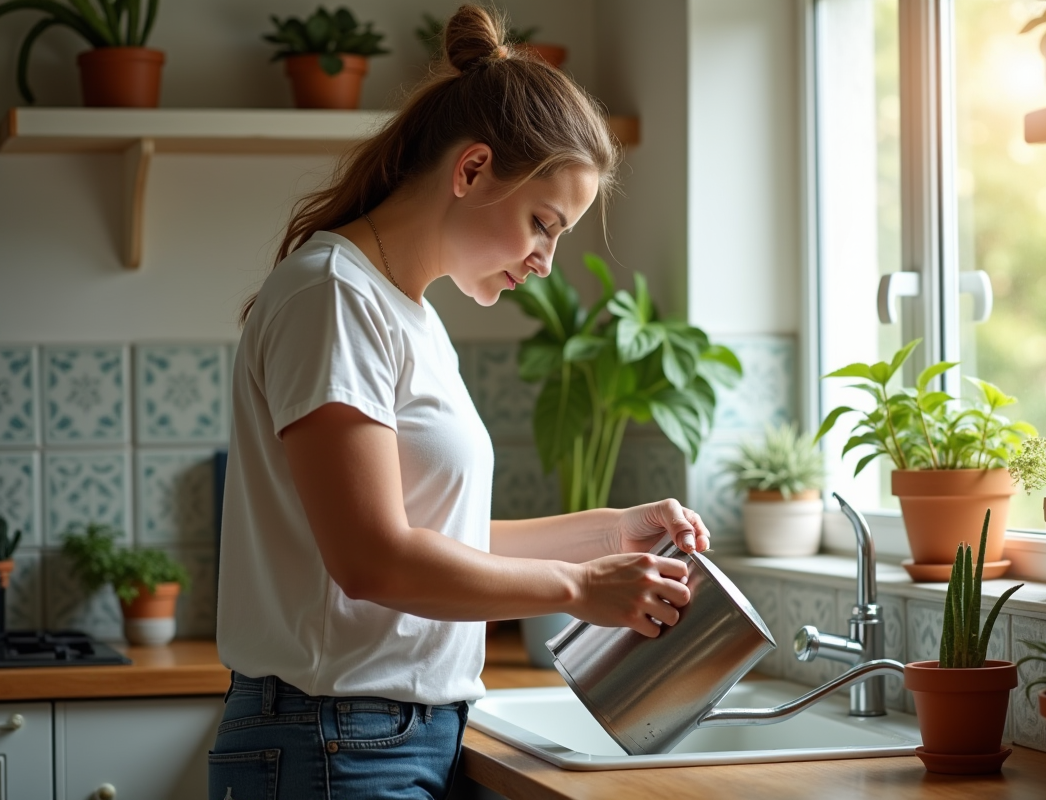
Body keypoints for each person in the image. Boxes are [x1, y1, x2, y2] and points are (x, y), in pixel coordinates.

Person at [208, 6, 712, 799]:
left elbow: (438, 537)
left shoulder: (407, 311)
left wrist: (614, 532)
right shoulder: (336, 297)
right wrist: (581, 588)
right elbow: (373, 559)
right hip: (334, 741)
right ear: (472, 170)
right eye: (543, 224)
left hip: (385, 737)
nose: (546, 261)